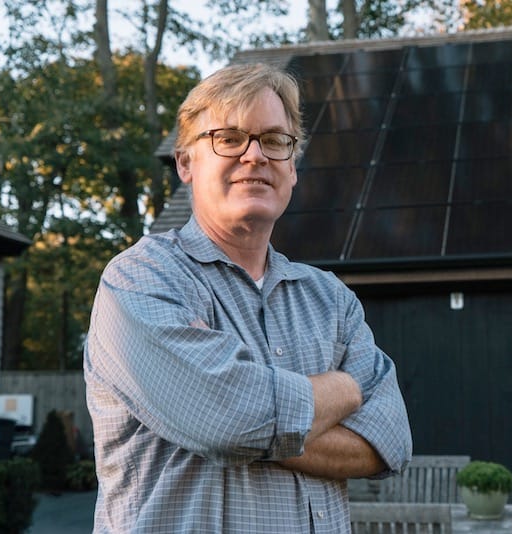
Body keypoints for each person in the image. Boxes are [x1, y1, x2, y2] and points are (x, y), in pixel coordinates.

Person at [83, 62, 413, 533]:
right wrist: (347, 389)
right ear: (185, 163)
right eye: (229, 138)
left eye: (275, 140)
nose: (255, 155)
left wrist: (244, 417)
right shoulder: (141, 279)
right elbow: (230, 420)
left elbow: (390, 441)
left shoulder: (331, 300)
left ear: (292, 168)